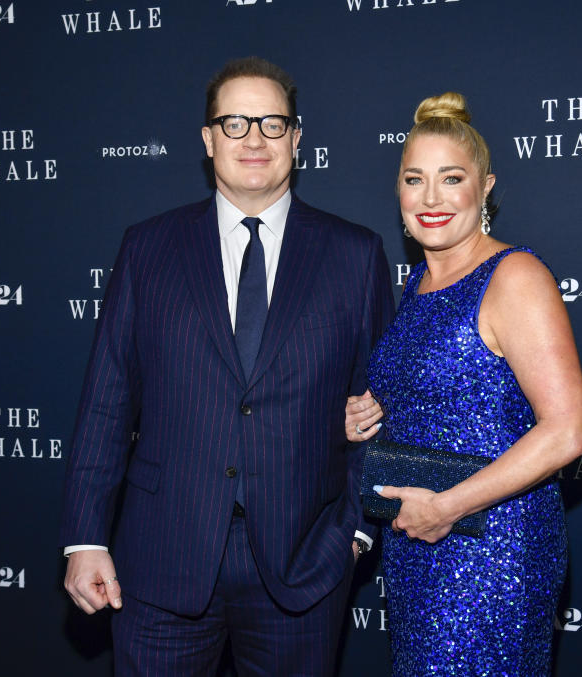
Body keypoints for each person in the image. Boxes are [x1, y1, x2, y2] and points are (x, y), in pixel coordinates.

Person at [60, 57, 394, 676]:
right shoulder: (148, 248)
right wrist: (86, 538)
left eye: (272, 123)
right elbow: (107, 399)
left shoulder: (355, 254)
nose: (254, 139)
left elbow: (380, 407)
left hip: (304, 564)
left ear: (297, 138)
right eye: (235, 123)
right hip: (161, 558)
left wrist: (356, 535)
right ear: (208, 138)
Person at [345, 92, 582, 675]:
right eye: (414, 179)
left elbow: (568, 433)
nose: (430, 198)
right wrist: (368, 414)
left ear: (485, 188)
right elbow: (438, 396)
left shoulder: (515, 276)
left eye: (451, 178)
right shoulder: (415, 285)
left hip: (493, 549)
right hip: (416, 540)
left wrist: (449, 506)